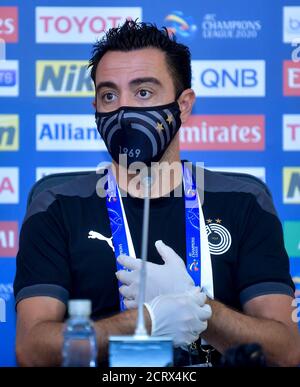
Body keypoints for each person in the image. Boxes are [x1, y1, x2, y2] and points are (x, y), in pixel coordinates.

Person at [14, 20, 300, 367]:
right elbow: (31, 350)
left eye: (143, 92)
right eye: (109, 95)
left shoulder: (243, 199)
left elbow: (286, 351)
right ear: (95, 109)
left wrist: (200, 310)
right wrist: (148, 319)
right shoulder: (57, 203)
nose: (123, 110)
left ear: (184, 105)